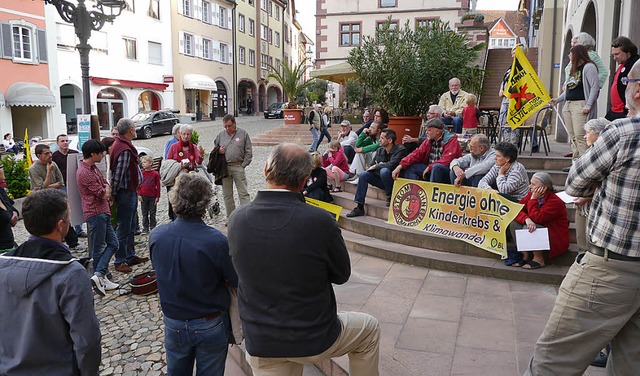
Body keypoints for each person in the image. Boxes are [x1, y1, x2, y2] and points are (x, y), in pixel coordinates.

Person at [524, 59, 640, 376]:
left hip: (612, 267)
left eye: (627, 82)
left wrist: (601, 183)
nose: (624, 87)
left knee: (553, 363)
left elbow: (575, 182)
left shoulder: (624, 132)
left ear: (638, 90)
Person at [228, 143, 380, 375]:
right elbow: (341, 275)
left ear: (265, 169)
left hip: (261, 339)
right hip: (312, 336)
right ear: (303, 181)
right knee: (369, 329)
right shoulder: (319, 220)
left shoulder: (237, 219)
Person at [0, 189, 101, 375]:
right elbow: (87, 340)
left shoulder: (3, 264)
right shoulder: (71, 274)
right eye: (69, 215)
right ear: (61, 225)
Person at [150, 173, 238, 376]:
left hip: (174, 319)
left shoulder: (157, 235)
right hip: (209, 320)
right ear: (205, 203)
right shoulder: (215, 240)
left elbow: (160, 270)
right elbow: (234, 279)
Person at [76, 139, 119, 296]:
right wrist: (107, 190)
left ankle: (99, 275)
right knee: (98, 247)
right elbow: (103, 192)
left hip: (103, 211)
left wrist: (107, 189)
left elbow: (105, 184)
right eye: (101, 153)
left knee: (113, 244)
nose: (103, 155)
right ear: (93, 154)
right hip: (95, 213)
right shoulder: (84, 172)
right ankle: (99, 276)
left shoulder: (93, 168)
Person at [110, 118, 149, 273]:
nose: (135, 129)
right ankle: (120, 261)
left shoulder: (123, 144)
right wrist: (113, 193)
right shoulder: (124, 149)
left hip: (130, 191)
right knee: (124, 227)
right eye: (134, 127)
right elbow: (118, 174)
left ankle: (130, 256)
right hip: (125, 193)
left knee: (131, 225)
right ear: (130, 130)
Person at [509, 172, 570, 269]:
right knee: (515, 223)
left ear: (543, 188)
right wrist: (526, 219)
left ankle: (539, 259)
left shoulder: (555, 201)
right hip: (538, 232)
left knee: (532, 226)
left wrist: (533, 200)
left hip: (553, 237)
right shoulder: (530, 195)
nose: (530, 186)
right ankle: (525, 255)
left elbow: (538, 218)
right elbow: (516, 210)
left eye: (533, 184)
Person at [550, 44, 600, 161]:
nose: (569, 56)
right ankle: (576, 161)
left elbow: (594, 87)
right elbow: (569, 89)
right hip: (568, 104)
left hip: (580, 104)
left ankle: (585, 161)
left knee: (580, 135)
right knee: (572, 135)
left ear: (577, 54)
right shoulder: (574, 69)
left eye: (571, 53)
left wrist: (588, 105)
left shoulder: (589, 67)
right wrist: (557, 100)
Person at [347, 129, 408, 217]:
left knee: (384, 171)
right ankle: (359, 206)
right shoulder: (380, 150)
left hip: (395, 182)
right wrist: (376, 166)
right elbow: (372, 165)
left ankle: (390, 197)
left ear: (390, 140)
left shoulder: (400, 150)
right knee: (364, 174)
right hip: (382, 180)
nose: (379, 140)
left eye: (382, 138)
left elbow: (391, 165)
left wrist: (377, 166)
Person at [392, 118, 462, 183]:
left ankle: (432, 193)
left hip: (446, 170)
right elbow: (417, 153)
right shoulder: (428, 140)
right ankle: (415, 191)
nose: (426, 133)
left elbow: (448, 160)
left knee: (436, 167)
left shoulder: (451, 140)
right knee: (410, 167)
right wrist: (401, 165)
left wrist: (430, 166)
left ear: (437, 131)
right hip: (430, 168)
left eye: (429, 130)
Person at [214, 114, 252, 218]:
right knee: (227, 195)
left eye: (229, 126)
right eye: (225, 126)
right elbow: (214, 150)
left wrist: (243, 165)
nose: (227, 128)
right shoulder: (220, 135)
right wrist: (219, 150)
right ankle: (231, 217)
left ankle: (246, 217)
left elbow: (248, 151)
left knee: (243, 193)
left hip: (238, 166)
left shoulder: (243, 133)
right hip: (225, 168)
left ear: (234, 123)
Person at [52, 134, 86, 237]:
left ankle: (79, 229)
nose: (65, 143)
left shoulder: (74, 154)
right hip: (62, 185)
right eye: (62, 141)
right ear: (57, 143)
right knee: (64, 208)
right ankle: (66, 230)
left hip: (75, 184)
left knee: (76, 205)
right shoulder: (55, 156)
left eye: (67, 141)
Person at [499, 44, 528, 145]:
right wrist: (501, 89)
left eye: (514, 53)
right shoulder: (510, 68)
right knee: (502, 121)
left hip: (516, 100)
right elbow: (505, 80)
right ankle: (506, 143)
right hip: (506, 99)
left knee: (514, 123)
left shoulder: (524, 67)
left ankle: (513, 145)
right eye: (512, 53)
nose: (512, 55)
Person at [606, 36, 640, 121]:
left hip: (625, 112)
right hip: (614, 111)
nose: (615, 58)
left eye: (617, 54)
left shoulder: (635, 64)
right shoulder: (623, 64)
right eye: (613, 55)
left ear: (628, 52)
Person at [138, 155, 160, 235]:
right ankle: (145, 227)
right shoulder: (141, 173)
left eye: (144, 162)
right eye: (142, 162)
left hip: (152, 196)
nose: (143, 164)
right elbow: (138, 185)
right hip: (143, 195)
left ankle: (153, 226)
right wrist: (139, 194)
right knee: (144, 213)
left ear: (150, 163)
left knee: (152, 212)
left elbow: (158, 185)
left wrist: (158, 196)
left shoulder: (155, 174)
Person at [0, 163, 19, 253]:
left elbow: (12, 208)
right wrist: (10, 216)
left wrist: (13, 214)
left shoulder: (1, 190)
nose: (2, 168)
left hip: (9, 244)